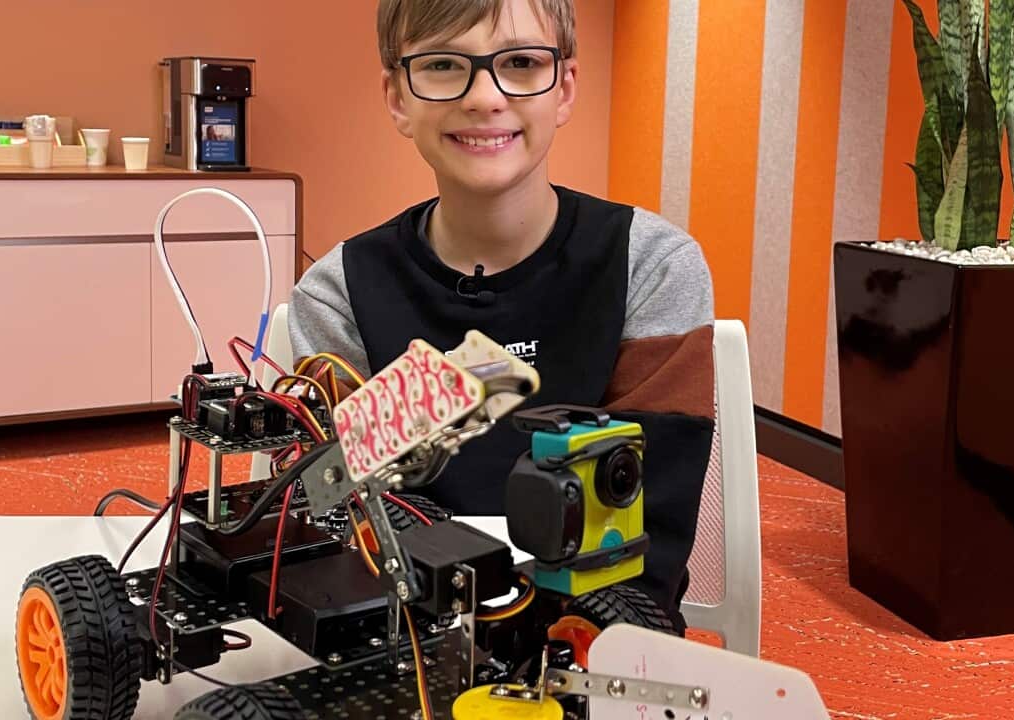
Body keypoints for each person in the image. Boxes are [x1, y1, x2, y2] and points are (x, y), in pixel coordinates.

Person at [289, 0, 715, 631]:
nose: (485, 97)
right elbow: (333, 512)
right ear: (398, 96)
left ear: (564, 88)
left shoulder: (650, 267)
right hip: (403, 639)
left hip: (597, 644)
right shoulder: (339, 293)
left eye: (519, 62)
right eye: (441, 64)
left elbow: (648, 526)